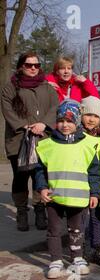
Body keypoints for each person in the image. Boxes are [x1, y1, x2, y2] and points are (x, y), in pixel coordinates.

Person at [35, 100, 100, 279]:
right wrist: (41, 188)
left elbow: (94, 172)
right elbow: (40, 170)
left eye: (70, 121)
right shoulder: (46, 145)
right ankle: (55, 260)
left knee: (77, 230)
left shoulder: (88, 145)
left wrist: (95, 193)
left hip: (78, 198)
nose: (65, 125)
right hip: (54, 198)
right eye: (61, 120)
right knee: (54, 230)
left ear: (77, 122)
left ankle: (77, 258)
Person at [1, 52, 59, 231]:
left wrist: (44, 124)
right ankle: (21, 212)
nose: (33, 68)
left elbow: (54, 107)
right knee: (20, 177)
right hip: (19, 140)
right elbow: (8, 110)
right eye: (28, 65)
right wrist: (25, 126)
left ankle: (40, 209)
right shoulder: (10, 87)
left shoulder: (47, 87)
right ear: (20, 66)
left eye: (36, 65)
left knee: (39, 176)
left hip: (43, 139)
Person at [79, 96, 100, 267]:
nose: (91, 119)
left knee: (98, 218)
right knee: (81, 219)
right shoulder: (76, 136)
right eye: (88, 114)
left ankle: (99, 250)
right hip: (79, 184)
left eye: (95, 116)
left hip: (98, 185)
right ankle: (81, 249)